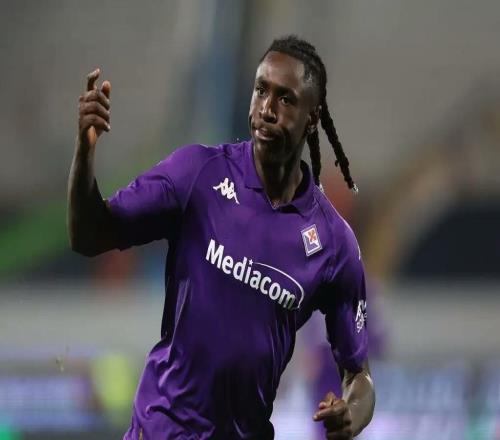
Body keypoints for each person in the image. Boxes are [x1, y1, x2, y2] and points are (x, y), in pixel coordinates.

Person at [68, 35, 375, 440]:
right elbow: (88, 236)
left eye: (285, 99)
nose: (266, 109)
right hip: (161, 430)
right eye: (261, 90)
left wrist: (352, 413)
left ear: (312, 118)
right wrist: (85, 151)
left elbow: (359, 376)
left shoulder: (334, 243)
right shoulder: (197, 173)